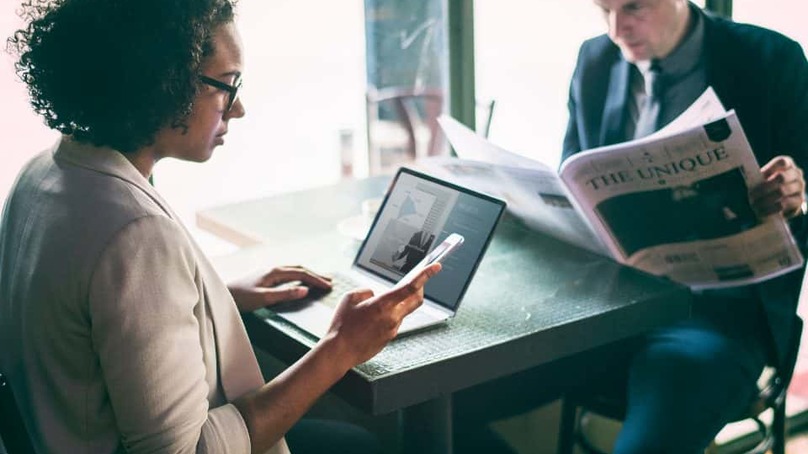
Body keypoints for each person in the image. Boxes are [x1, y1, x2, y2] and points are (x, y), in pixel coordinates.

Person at [0, 1, 440, 453]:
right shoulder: (135, 233)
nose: (239, 108)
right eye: (226, 86)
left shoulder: (43, 174)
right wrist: (341, 348)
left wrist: (212, 300)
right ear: (162, 84)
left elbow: (96, 325)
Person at [561, 0, 808, 452]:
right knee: (458, 391)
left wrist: (796, 187)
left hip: (717, 314)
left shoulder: (772, 58)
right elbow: (572, 176)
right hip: (607, 305)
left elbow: (803, 171)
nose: (618, 28)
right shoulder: (594, 59)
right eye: (603, 9)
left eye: (633, 6)